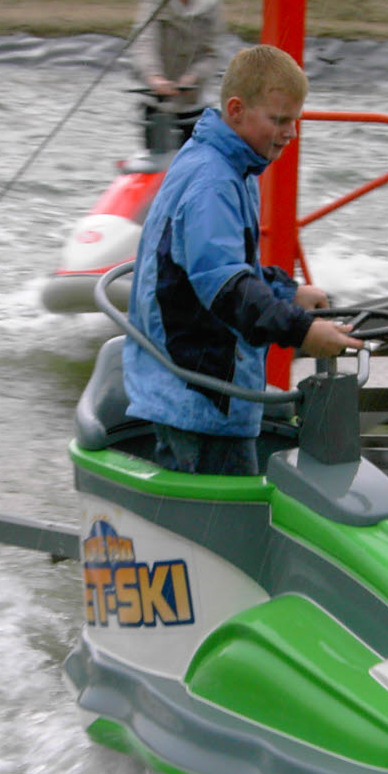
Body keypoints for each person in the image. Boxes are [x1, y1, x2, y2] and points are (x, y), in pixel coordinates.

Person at [122, 44, 363, 476]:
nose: (291, 133)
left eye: (295, 120)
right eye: (279, 120)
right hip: (198, 402)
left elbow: (218, 267)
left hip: (201, 394)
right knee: (219, 515)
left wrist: (288, 292)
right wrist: (303, 331)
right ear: (236, 110)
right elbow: (228, 290)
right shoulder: (213, 183)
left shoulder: (228, 164)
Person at [129, 0, 223, 152]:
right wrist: (154, 77)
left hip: (195, 105)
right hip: (156, 104)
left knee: (196, 159)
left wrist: (193, 77)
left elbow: (212, 53)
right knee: (155, 157)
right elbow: (145, 40)